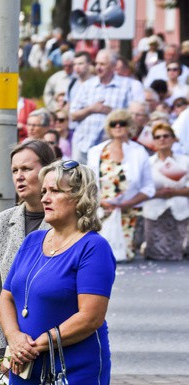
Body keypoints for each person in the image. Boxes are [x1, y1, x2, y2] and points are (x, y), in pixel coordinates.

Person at [0, 160, 157, 385]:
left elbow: (91, 317)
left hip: (76, 361)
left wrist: (37, 344)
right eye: (44, 190)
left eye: (55, 191)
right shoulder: (32, 242)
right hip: (28, 360)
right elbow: (6, 297)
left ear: (79, 199)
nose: (44, 197)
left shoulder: (93, 248)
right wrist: (15, 339)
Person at [0, 140, 58, 359]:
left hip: (47, 346)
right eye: (14, 170)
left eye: (26, 169)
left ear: (47, 171)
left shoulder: (67, 223)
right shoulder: (3, 221)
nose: (19, 176)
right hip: (7, 348)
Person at [87, 110, 155, 261]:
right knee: (99, 254)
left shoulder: (139, 151)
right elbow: (87, 184)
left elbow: (148, 187)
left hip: (128, 209)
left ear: (129, 127)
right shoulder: (95, 152)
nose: (118, 126)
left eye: (122, 123)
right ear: (108, 128)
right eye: (113, 124)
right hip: (101, 209)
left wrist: (128, 203)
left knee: (123, 255)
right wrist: (100, 202)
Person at [70, 49, 136, 163]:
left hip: (110, 147)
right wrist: (91, 109)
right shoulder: (87, 86)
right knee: (78, 179)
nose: (98, 67)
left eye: (102, 64)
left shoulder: (126, 86)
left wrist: (114, 113)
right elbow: (73, 115)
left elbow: (132, 116)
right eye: (96, 63)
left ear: (113, 66)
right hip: (83, 144)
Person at [142, 123, 189, 261]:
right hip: (154, 212)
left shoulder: (185, 161)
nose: (162, 139)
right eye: (158, 137)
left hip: (179, 211)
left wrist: (175, 192)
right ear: (154, 141)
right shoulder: (147, 163)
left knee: (178, 254)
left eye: (166, 136)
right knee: (157, 255)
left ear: (173, 139)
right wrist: (159, 193)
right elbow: (141, 189)